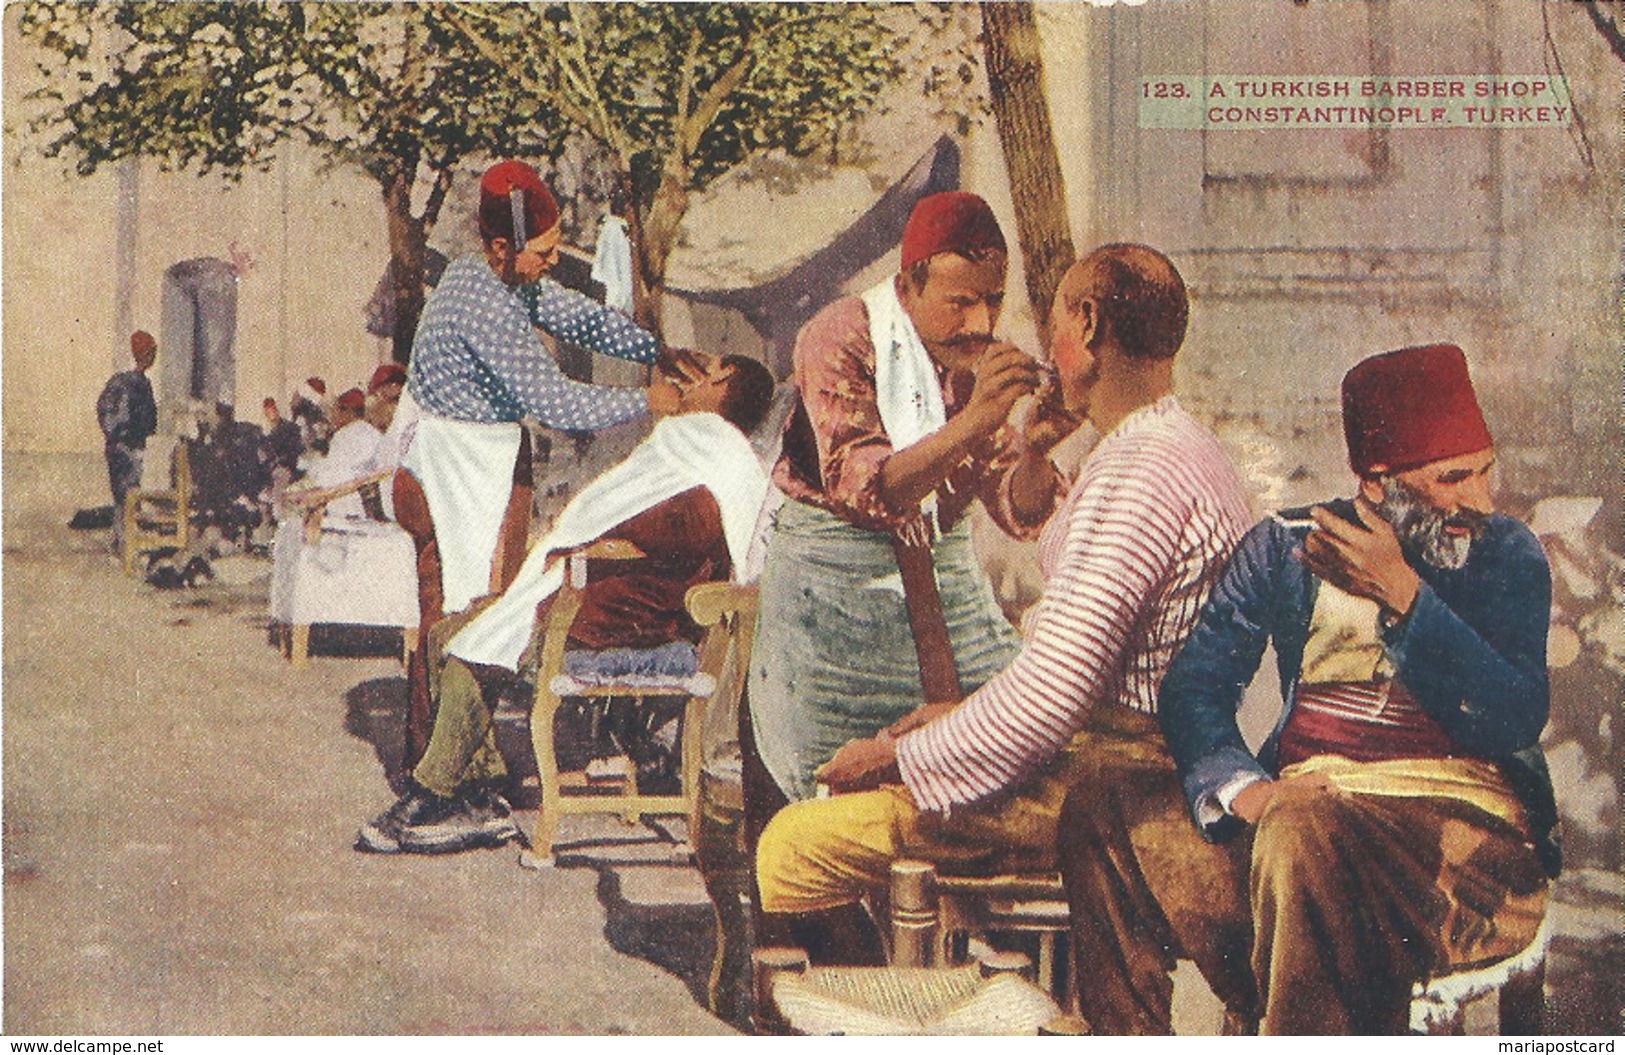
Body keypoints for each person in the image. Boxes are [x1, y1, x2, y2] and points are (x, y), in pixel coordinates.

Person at [753, 244, 1254, 965]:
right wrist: (953, 720)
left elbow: (1052, 697)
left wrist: (898, 754)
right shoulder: (1174, 446)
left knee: (793, 844)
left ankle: (876, 1017)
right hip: (1122, 757)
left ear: (1086, 325)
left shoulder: (1143, 471)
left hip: (1107, 780)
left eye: (1050, 322)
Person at [1059, 342, 1557, 1035]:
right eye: (1451, 479)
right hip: (1300, 824)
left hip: (1455, 850)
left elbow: (1512, 716)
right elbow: (1193, 687)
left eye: (1483, 473)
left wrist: (1405, 596)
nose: (1477, 499)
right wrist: (1245, 788)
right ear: (1379, 483)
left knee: (1302, 828)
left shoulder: (1504, 552)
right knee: (1101, 801)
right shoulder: (1286, 544)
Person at [357, 355, 775, 854]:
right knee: (449, 633)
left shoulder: (707, 443)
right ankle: (476, 793)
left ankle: (433, 791)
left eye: (704, 376)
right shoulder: (704, 446)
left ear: (724, 383)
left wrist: (599, 528)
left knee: (475, 642)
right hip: (615, 598)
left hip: (628, 619)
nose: (689, 385)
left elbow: (682, 523)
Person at [748, 191, 1071, 807]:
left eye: (993, 300)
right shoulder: (840, 336)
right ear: (910, 286)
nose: (980, 321)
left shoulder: (974, 359)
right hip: (839, 596)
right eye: (960, 302)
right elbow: (870, 488)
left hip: (944, 587)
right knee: (835, 792)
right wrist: (975, 420)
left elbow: (1017, 510)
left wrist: (1034, 450)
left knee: (1002, 754)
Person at [394, 158, 688, 771]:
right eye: (544, 250)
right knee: (462, 615)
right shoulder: (482, 302)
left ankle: (461, 763)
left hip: (482, 463)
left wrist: (657, 349)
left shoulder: (504, 279)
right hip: (458, 471)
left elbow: (577, 317)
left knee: (475, 611)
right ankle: (439, 773)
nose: (553, 260)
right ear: (501, 246)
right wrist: (646, 397)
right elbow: (555, 399)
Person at [97, 330, 159, 550]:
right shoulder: (124, 383)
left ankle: (122, 541)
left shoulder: (144, 384)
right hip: (124, 450)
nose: (153, 357)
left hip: (134, 447)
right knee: (125, 496)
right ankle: (123, 543)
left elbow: (150, 420)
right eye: (151, 352)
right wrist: (121, 440)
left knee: (127, 497)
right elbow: (111, 417)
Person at [304, 388, 382, 521]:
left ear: (348, 412)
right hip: (371, 506)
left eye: (337, 411)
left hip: (344, 504)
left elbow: (332, 476)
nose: (334, 416)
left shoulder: (342, 436)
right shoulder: (375, 434)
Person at [365, 362, 407, 433]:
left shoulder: (406, 405)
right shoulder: (378, 406)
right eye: (379, 389)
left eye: (386, 386)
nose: (381, 392)